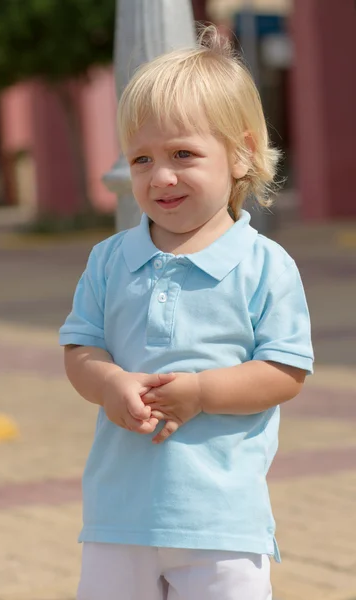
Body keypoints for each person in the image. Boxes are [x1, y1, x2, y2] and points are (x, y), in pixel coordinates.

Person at [59, 26, 313, 600]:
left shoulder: (265, 265)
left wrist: (201, 392)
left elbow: (285, 372)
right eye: (142, 159)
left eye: (183, 154)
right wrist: (109, 382)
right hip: (118, 516)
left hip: (222, 519)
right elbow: (80, 349)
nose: (161, 176)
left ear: (242, 153)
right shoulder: (110, 259)